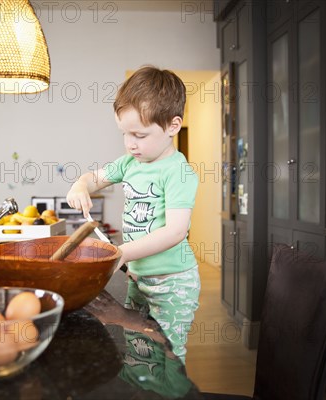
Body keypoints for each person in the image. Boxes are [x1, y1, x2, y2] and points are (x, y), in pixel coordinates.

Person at [66, 66, 200, 363]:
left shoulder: (179, 172)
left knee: (164, 353)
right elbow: (92, 177)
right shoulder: (129, 163)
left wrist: (122, 252)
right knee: (137, 349)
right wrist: (80, 185)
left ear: (172, 126)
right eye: (125, 134)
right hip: (139, 278)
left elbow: (176, 232)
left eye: (139, 134)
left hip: (173, 282)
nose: (130, 143)